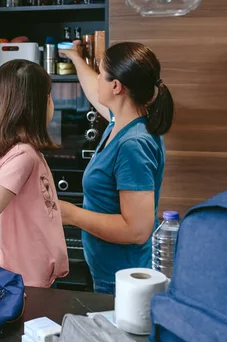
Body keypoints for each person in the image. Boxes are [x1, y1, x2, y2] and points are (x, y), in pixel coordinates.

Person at [58, 41, 175, 294]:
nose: (97, 78)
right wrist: (75, 58)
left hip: (123, 281)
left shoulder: (133, 144)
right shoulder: (121, 123)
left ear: (116, 86)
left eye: (101, 73)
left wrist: (70, 214)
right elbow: (92, 89)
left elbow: (137, 230)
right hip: (111, 274)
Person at [0, 59, 69, 288]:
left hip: (33, 277)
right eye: (49, 95)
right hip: (25, 282)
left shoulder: (22, 151)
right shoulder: (23, 156)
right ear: (36, 105)